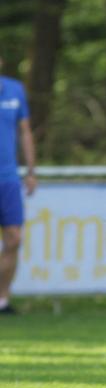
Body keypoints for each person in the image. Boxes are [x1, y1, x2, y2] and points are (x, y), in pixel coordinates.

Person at [0, 56, 37, 315]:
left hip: (9, 179)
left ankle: (2, 300)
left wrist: (31, 170)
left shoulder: (15, 89)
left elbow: (25, 131)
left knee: (14, 239)